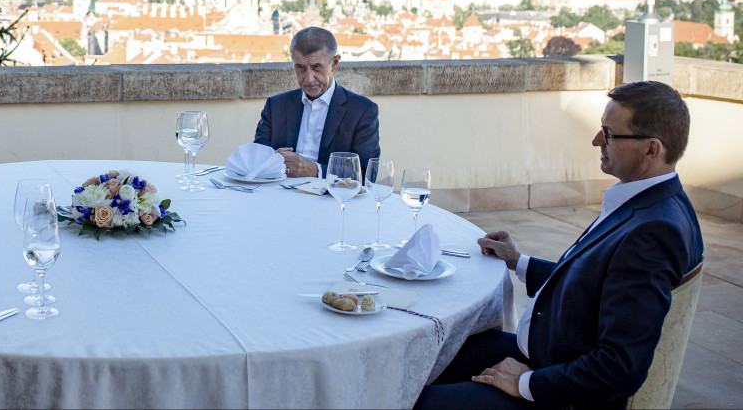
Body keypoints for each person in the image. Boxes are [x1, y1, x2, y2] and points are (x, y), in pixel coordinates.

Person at [415, 80, 704, 410]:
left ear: (652, 149)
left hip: (560, 389)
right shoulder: (659, 203)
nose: (596, 140)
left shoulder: (652, 233)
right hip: (547, 354)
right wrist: (519, 261)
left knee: (407, 398)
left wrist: (524, 383)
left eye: (609, 134)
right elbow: (598, 284)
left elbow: (620, 367)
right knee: (418, 353)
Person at [253, 26, 380, 176]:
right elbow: (254, 161)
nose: (308, 78)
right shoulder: (275, 106)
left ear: (334, 63)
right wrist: (272, 159)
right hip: (280, 195)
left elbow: (366, 174)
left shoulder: (361, 111)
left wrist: (315, 170)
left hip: (331, 197)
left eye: (316, 67)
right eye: (300, 67)